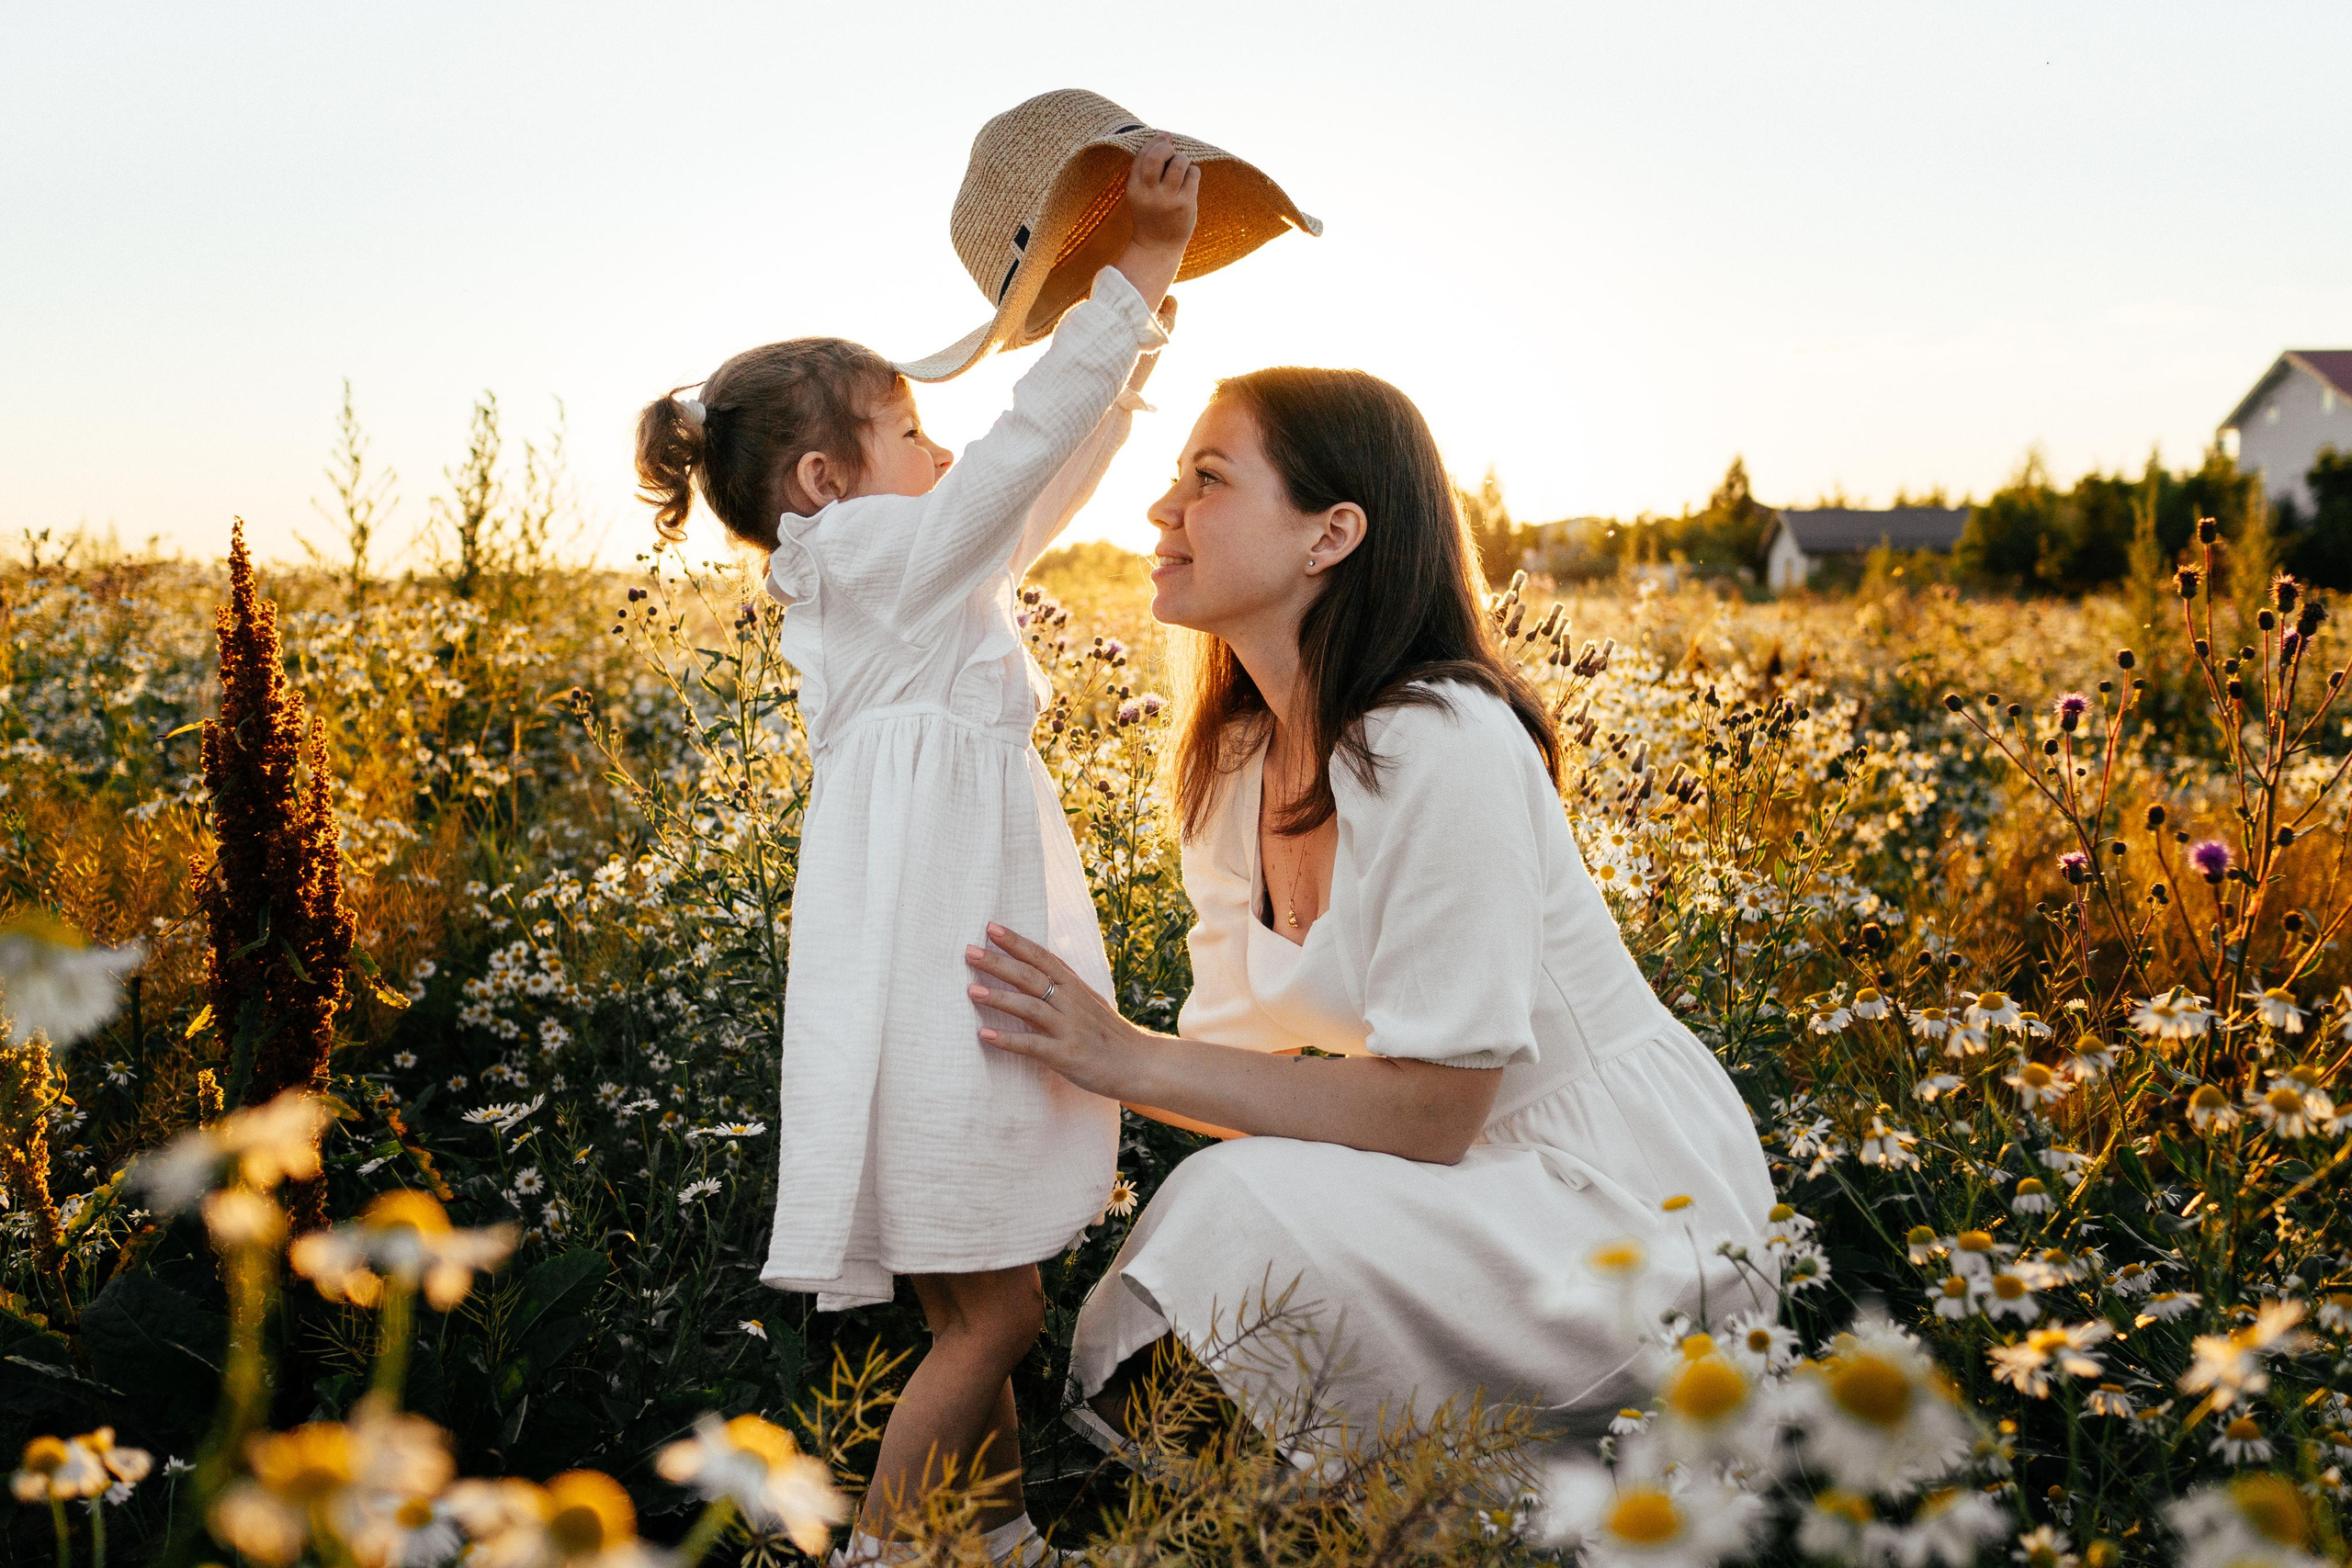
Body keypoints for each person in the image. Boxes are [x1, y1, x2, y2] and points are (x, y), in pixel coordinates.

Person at [962, 367, 1780, 1457]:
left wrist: (1118, 1056)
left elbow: (1434, 1112)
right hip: (1450, 1187)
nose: (1162, 512)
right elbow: (1234, 1074)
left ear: (1331, 534)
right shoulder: (1234, 765)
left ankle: (1260, 1510)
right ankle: (1239, 1518)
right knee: (1219, 1234)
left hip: (1620, 1210)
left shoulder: (1444, 738)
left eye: (1207, 479)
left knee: (1233, 1212)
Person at [634, 136, 1197, 1566]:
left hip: (930, 989)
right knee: (996, 1316)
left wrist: (1126, 367)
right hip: (939, 998)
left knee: (974, 1308)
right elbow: (1006, 470)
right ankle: (890, 1551)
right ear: (828, 481)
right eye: (910, 438)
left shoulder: (897, 577)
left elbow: (1031, 486)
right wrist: (1132, 278)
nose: (941, 459)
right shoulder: (863, 564)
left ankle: (994, 1539)